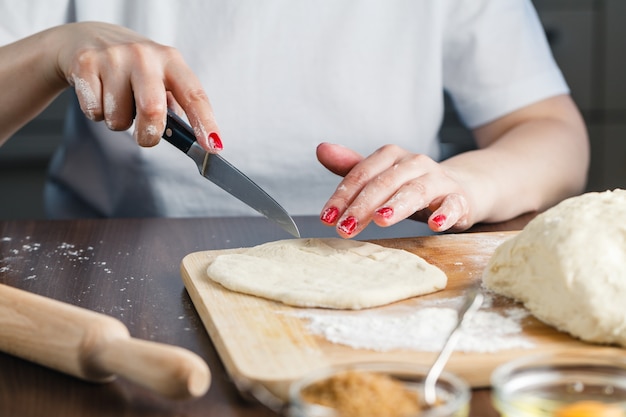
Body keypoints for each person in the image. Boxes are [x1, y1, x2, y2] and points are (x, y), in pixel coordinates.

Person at [0, 1, 589, 239]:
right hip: (119, 276)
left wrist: (468, 185)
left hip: (391, 271)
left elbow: (549, 129)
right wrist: (56, 47)